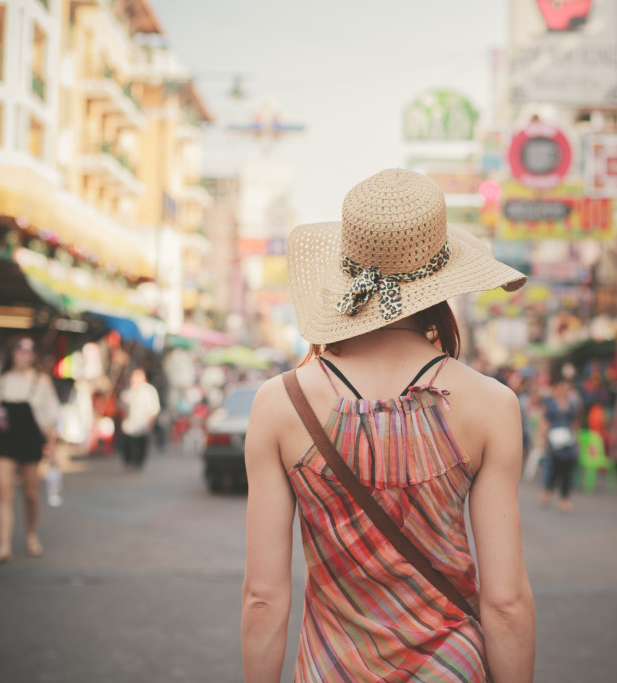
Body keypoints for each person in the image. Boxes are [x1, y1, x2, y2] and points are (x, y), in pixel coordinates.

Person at [241, 169, 535, 682]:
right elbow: (506, 602)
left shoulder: (279, 403)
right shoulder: (491, 404)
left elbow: (263, 599)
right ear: (440, 285)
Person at [0, 335, 60, 563]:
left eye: (30, 350)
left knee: (30, 494)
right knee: (3, 490)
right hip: (3, 440)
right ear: (12, 351)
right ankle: (4, 545)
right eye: (20, 348)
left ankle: (31, 535)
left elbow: (50, 418)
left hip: (29, 439)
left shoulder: (41, 381)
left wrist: (53, 450)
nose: (24, 354)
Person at [539, 365, 582, 512]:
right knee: (553, 467)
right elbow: (545, 421)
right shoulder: (550, 402)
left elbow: (575, 422)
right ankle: (548, 491)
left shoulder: (572, 403)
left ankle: (564, 498)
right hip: (554, 438)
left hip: (567, 439)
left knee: (567, 468)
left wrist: (577, 440)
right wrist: (544, 439)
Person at [118, 368, 161, 472]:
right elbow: (121, 406)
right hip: (129, 424)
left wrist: (151, 423)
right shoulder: (128, 390)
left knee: (140, 445)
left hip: (143, 424)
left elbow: (154, 409)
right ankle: (129, 463)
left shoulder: (149, 391)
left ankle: (138, 464)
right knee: (127, 445)